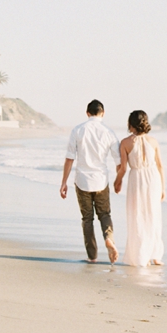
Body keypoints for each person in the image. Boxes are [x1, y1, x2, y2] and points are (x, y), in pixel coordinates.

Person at [60, 99, 121, 264]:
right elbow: (118, 161)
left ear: (87, 113)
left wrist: (63, 183)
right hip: (101, 180)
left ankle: (92, 256)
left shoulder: (78, 130)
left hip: (82, 181)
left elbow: (69, 158)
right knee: (105, 214)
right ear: (103, 113)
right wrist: (118, 180)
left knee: (87, 219)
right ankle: (109, 238)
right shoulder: (108, 132)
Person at [114, 109, 165, 267]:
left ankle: (141, 255)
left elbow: (123, 168)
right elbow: (160, 166)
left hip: (136, 179)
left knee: (137, 216)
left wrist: (118, 181)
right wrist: (163, 188)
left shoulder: (125, 143)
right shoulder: (154, 141)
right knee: (153, 216)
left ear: (130, 124)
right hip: (153, 179)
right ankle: (155, 255)